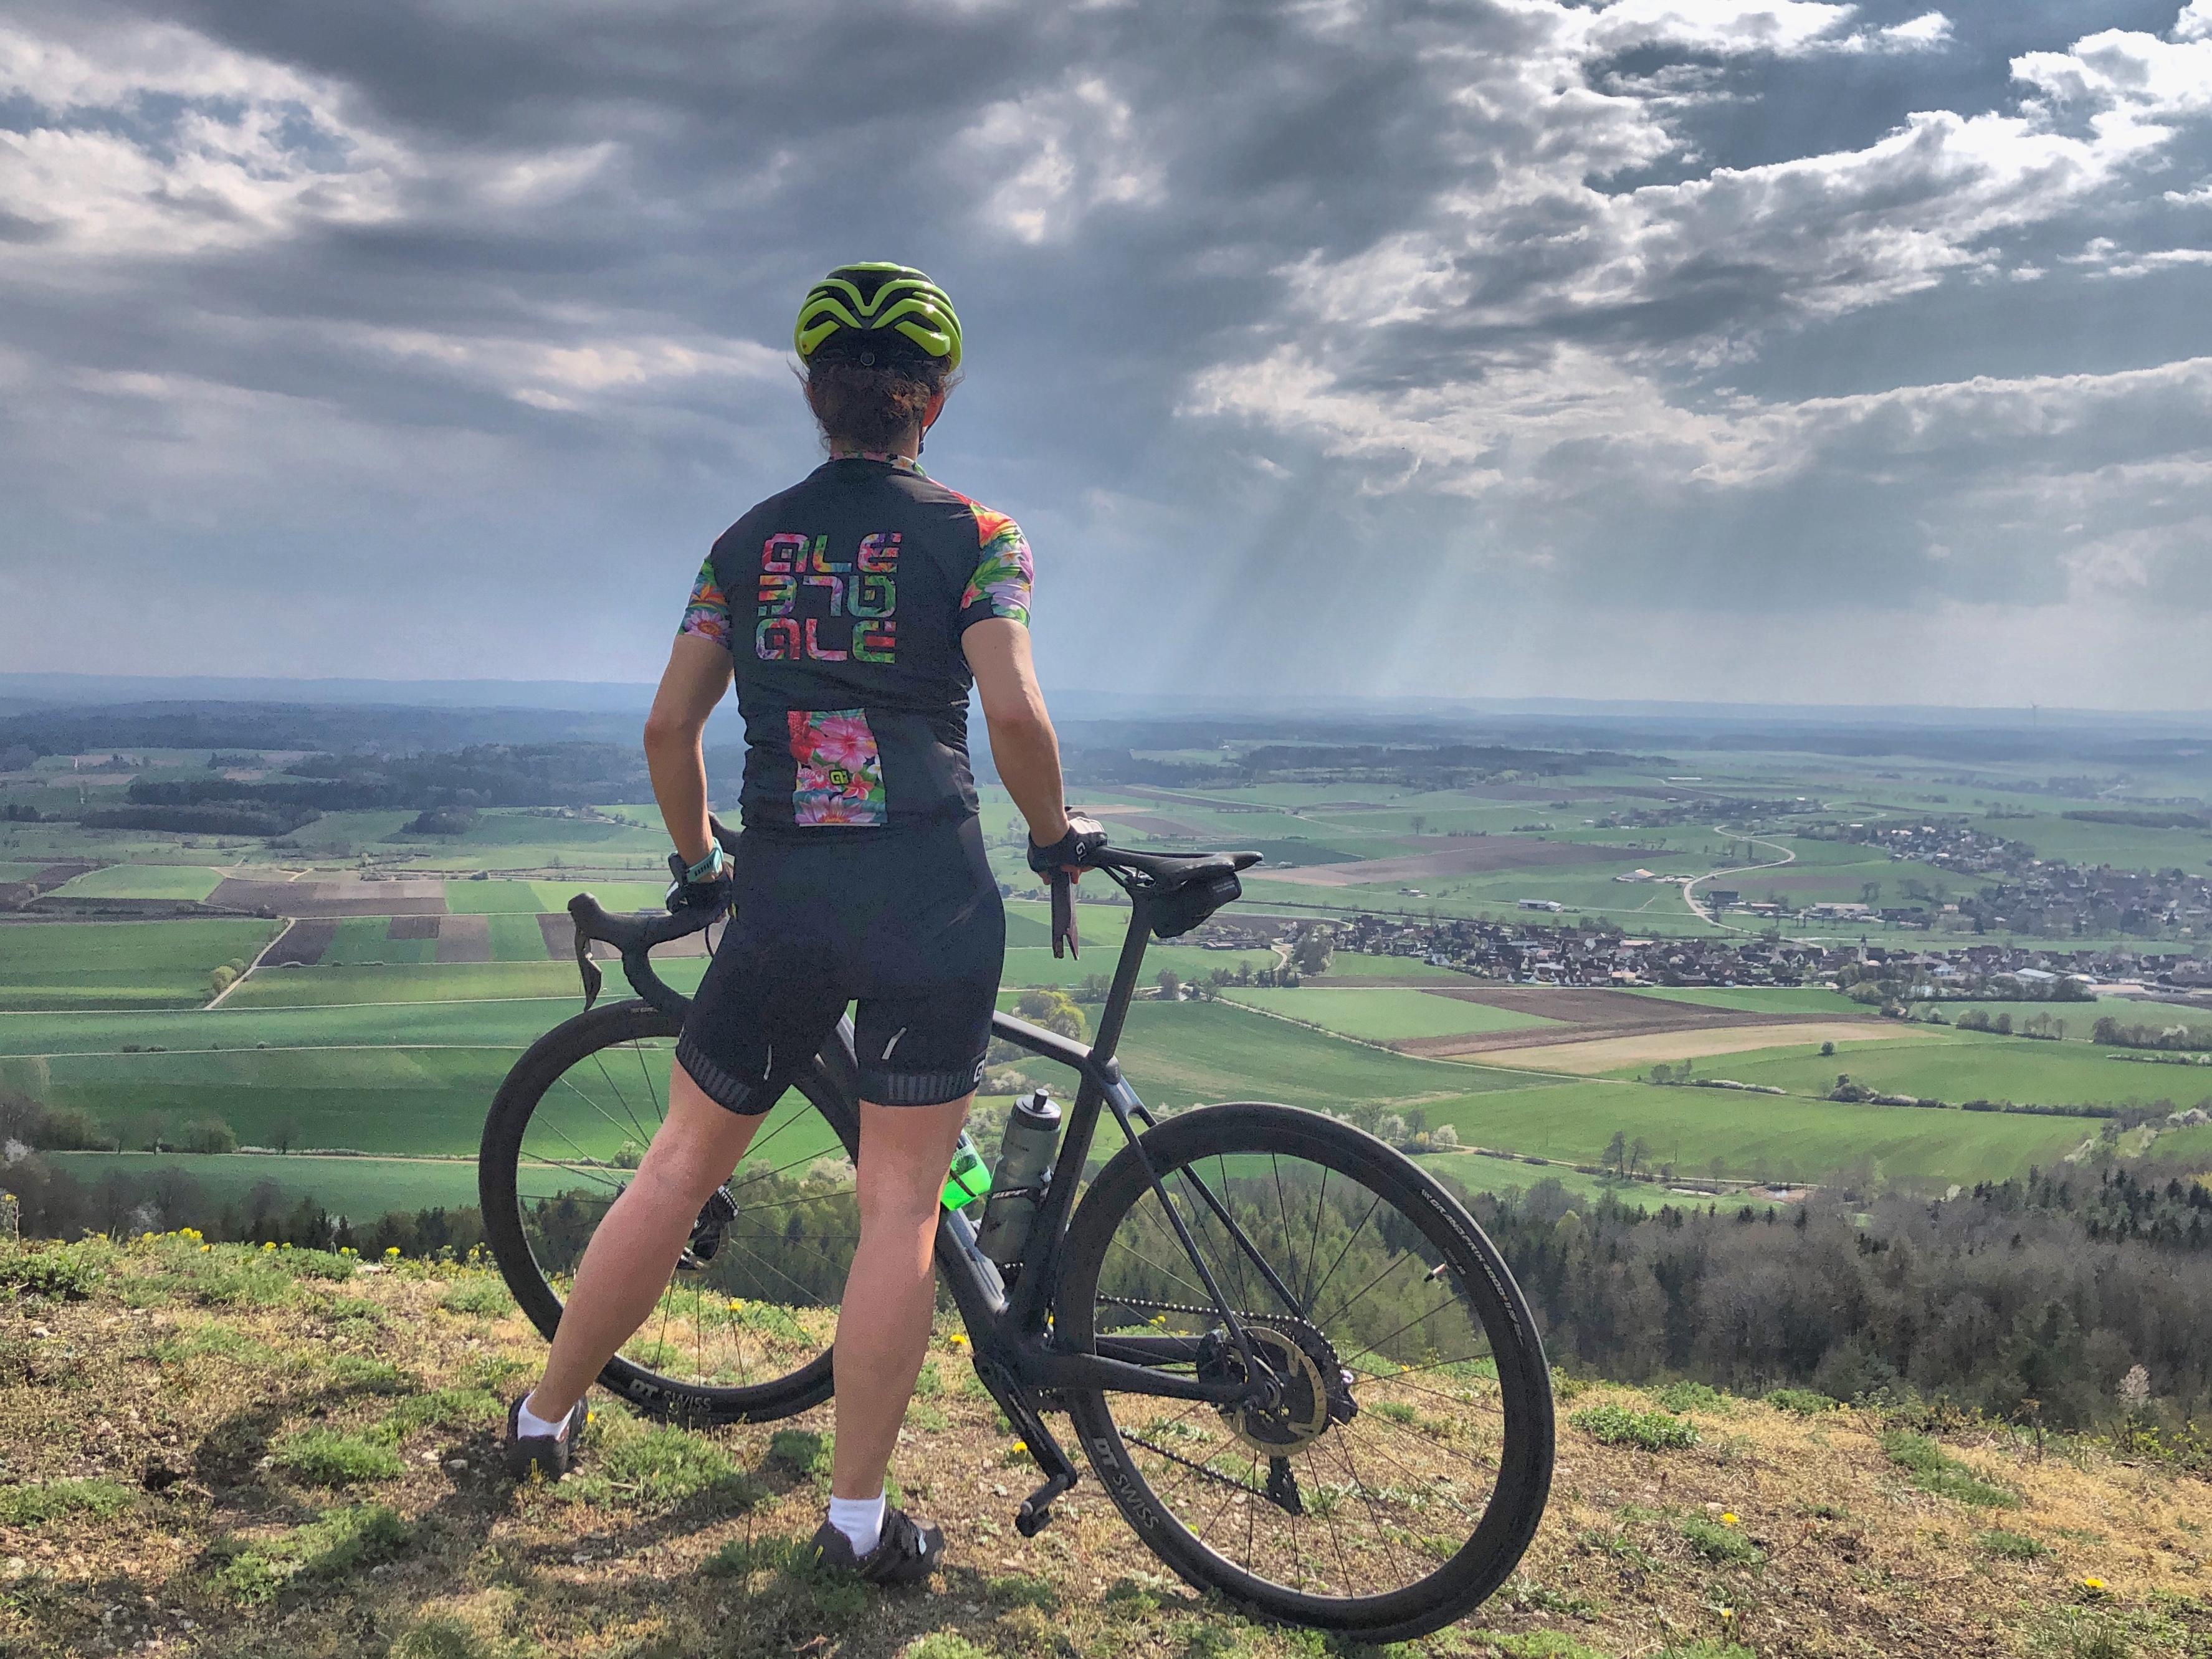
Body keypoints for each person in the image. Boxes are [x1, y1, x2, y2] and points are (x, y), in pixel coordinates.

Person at [500, 262, 1104, 1582]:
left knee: (674, 1166)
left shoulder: (742, 546)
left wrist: (695, 862)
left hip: (783, 894)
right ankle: (852, 1523)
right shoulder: (982, 535)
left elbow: (669, 726)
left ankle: (542, 1418)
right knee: (895, 1211)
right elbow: (1009, 715)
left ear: (812, 397)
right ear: (928, 406)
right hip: (930, 895)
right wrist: (1055, 839)